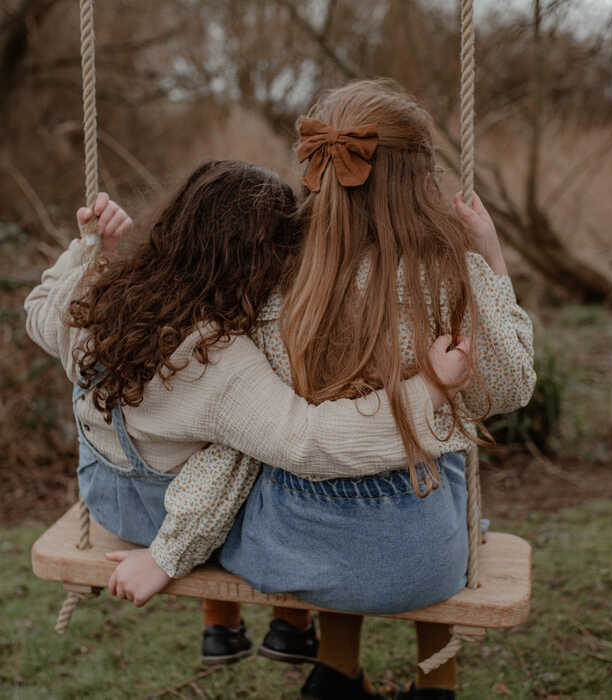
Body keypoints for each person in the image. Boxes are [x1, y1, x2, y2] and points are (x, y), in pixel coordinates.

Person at [108, 80, 536, 700]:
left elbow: (240, 436)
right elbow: (511, 385)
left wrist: (171, 548)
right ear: (421, 179)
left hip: (285, 551)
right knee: (438, 461)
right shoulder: (450, 272)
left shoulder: (273, 273)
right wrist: (490, 257)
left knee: (313, 459)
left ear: (314, 167)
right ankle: (435, 682)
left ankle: (335, 670)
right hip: (418, 563)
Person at [24, 160, 473, 672]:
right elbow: (308, 441)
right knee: (260, 455)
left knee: (238, 441)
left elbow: (40, 309)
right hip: (162, 516)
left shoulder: (99, 297)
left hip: (102, 495)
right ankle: (292, 622)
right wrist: (429, 390)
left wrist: (89, 251)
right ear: (264, 264)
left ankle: (235, 626)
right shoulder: (218, 360)